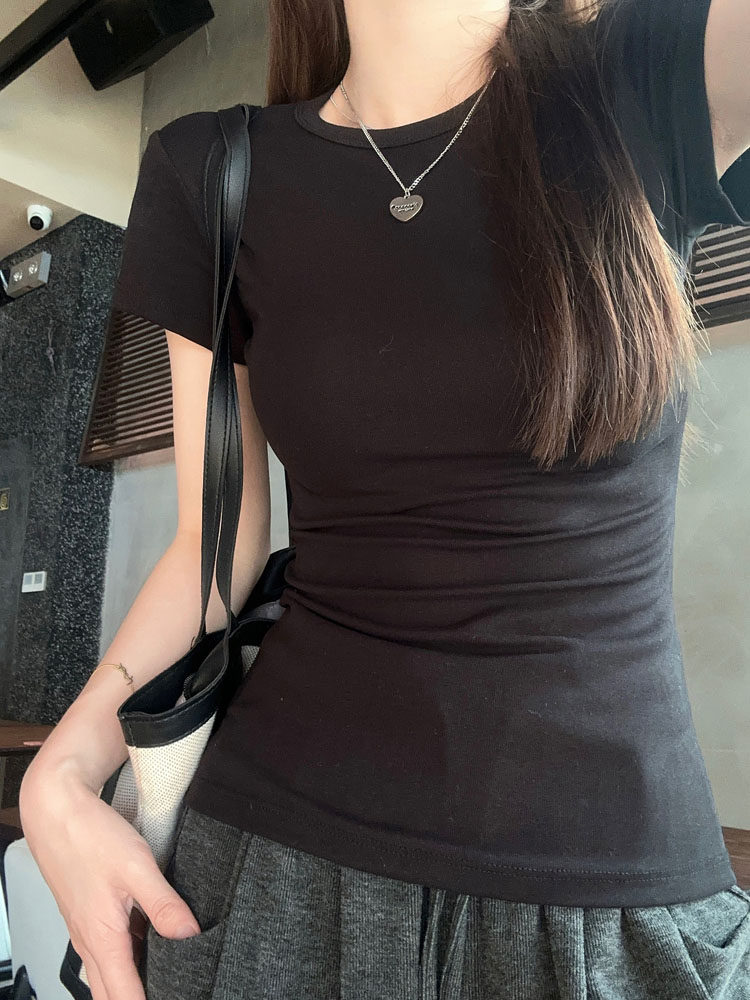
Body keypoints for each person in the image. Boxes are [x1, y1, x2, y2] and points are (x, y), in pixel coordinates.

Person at [19, 0, 750, 997]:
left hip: (608, 891)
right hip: (270, 870)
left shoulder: (641, 71)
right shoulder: (212, 170)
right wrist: (59, 773)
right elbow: (213, 547)